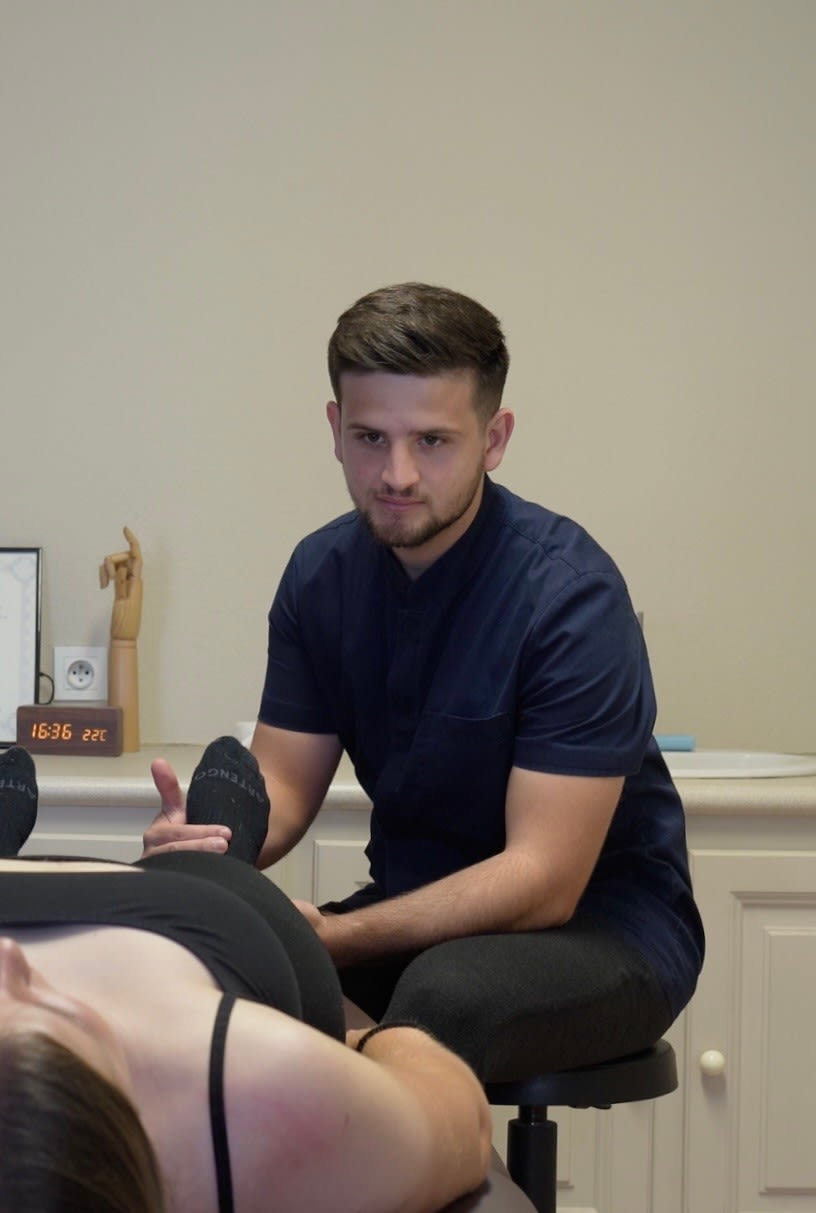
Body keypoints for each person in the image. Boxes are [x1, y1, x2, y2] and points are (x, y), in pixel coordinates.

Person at [144, 282, 706, 1083]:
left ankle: (386, 1110)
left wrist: (333, 939)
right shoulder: (320, 575)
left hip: (604, 925)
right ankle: (374, 1108)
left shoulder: (570, 596)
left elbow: (544, 879)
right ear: (335, 428)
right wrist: (208, 851)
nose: (397, 473)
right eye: (370, 436)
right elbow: (285, 784)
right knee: (198, 971)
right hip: (417, 913)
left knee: (442, 1000)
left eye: (433, 441)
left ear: (494, 438)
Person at [0, 741, 492, 1213]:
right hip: (193, 922)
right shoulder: (258, 1095)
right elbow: (464, 1121)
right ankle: (218, 844)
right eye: (27, 1026)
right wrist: (359, 1044)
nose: (9, 956)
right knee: (210, 866)